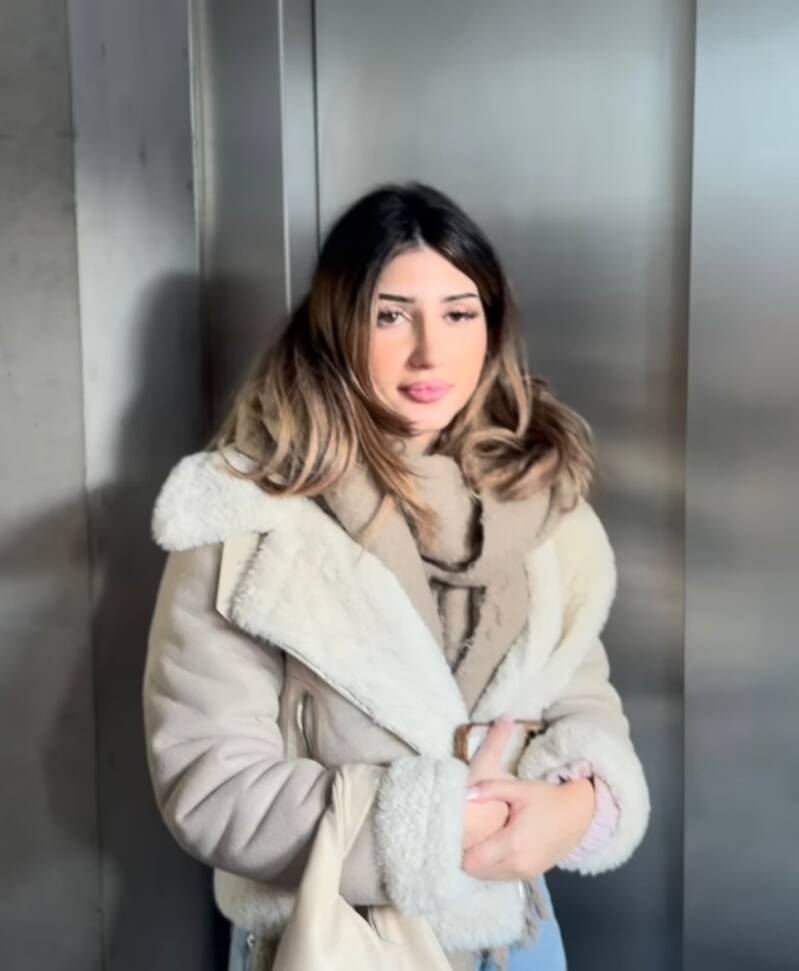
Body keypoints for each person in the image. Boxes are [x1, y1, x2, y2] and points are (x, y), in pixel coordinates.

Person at [142, 181, 650, 971]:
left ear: (492, 325)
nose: (428, 352)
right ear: (336, 322)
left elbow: (580, 698)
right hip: (343, 940)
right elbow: (210, 784)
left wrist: (579, 801)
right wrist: (439, 825)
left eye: (458, 313)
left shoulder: (541, 506)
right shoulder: (246, 516)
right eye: (390, 315)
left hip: (519, 940)